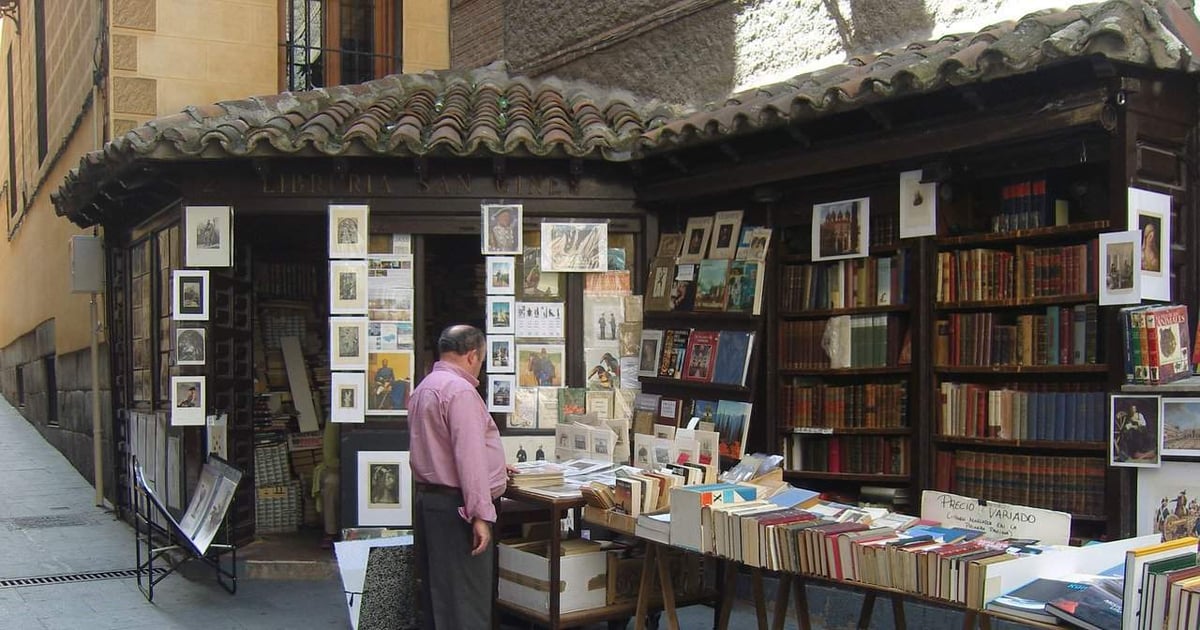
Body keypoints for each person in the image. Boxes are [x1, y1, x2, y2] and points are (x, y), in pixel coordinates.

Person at [409, 325, 512, 630]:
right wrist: (480, 515)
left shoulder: (424, 387)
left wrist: (496, 466)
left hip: (431, 501)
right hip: (458, 506)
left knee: (440, 593)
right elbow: (469, 456)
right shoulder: (460, 391)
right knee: (466, 599)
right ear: (472, 356)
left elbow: (439, 449)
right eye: (481, 360)